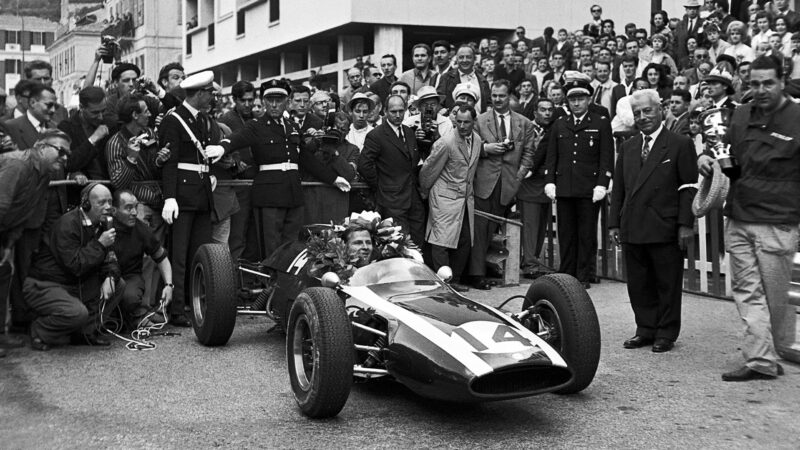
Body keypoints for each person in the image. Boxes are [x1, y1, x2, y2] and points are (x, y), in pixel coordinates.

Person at [697, 56, 800, 380]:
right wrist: (705, 157)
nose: (760, 89)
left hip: (777, 223)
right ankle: (760, 360)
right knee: (745, 291)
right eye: (754, 83)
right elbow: (724, 153)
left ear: (782, 81)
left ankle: (773, 350)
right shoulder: (740, 114)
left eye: (768, 82)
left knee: (772, 298)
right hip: (739, 218)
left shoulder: (798, 117)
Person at [218, 79, 350, 258]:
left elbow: (305, 158)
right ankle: (271, 284)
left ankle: (286, 284)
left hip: (293, 194)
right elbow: (237, 138)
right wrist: (222, 147)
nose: (274, 105)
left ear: (287, 102)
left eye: (279, 100)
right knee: (272, 247)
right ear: (264, 102)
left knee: (292, 246)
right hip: (269, 195)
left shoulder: (292, 127)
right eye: (270, 100)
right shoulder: (256, 125)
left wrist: (333, 179)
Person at [609, 89, 697, 353]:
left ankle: (666, 332)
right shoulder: (629, 146)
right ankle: (645, 329)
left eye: (648, 111)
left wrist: (685, 224)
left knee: (667, 282)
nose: (643, 117)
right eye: (637, 113)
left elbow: (689, 187)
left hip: (665, 226)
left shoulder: (680, 144)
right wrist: (614, 223)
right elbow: (620, 189)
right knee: (638, 282)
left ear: (661, 109)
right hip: (634, 225)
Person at [157, 71, 225, 327]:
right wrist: (170, 197)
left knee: (200, 253)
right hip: (183, 197)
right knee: (180, 255)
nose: (212, 96)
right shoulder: (173, 121)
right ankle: (176, 310)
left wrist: (210, 176)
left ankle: (194, 302)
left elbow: (202, 158)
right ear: (198, 93)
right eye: (209, 92)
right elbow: (170, 162)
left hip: (200, 193)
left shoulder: (202, 120)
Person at [23, 183, 121, 350]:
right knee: (77, 313)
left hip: (73, 283)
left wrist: (110, 276)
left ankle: (85, 333)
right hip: (45, 284)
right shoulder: (68, 224)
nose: (108, 207)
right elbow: (75, 265)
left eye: (110, 202)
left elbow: (111, 258)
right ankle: (39, 330)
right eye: (102, 203)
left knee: (118, 285)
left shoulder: (103, 224)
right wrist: (100, 244)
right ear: (86, 204)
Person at [0, 132, 69, 355]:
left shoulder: (43, 173)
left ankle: (1, 335)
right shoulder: (17, 165)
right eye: (61, 151)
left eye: (68, 154)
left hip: (6, 230)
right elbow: (1, 205)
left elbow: (27, 209)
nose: (65, 158)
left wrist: (10, 242)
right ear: (40, 146)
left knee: (4, 274)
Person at [544, 77, 614, 288]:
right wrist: (550, 181)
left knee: (586, 234)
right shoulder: (559, 124)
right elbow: (552, 155)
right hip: (565, 187)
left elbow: (606, 157)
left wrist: (603, 182)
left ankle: (583, 275)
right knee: (566, 233)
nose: (576, 103)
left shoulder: (599, 123)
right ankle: (566, 274)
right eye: (572, 99)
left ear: (589, 99)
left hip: (588, 188)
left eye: (581, 99)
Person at [468, 80, 535, 290]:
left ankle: (495, 268)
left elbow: (529, 153)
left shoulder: (524, 123)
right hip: (485, 182)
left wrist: (519, 176)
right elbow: (470, 148)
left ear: (510, 97)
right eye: (494, 96)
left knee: (500, 231)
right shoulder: (479, 121)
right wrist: (487, 149)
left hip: (510, 183)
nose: (497, 100)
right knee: (480, 229)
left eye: (502, 96)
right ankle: (476, 274)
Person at [106, 94, 169, 306]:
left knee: (156, 257)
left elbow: (155, 167)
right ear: (134, 115)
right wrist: (131, 158)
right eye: (145, 111)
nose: (150, 114)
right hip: (138, 206)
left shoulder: (151, 133)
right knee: (143, 260)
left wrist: (160, 160)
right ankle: (141, 308)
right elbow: (118, 183)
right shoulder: (115, 142)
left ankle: (151, 305)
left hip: (160, 204)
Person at [419, 105, 481, 292]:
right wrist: (424, 192)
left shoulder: (477, 140)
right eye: (458, 122)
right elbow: (428, 171)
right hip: (444, 198)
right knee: (441, 242)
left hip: (464, 199)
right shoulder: (446, 142)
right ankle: (443, 283)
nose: (462, 126)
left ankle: (455, 280)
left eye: (466, 122)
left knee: (464, 240)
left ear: (474, 122)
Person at [358, 95, 425, 245]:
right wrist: (381, 185)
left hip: (413, 198)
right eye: (393, 111)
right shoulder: (376, 135)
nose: (398, 115)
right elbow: (364, 165)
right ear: (386, 111)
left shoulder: (408, 132)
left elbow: (412, 162)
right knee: (400, 243)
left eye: (401, 111)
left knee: (418, 241)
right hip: (391, 199)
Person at [110, 190, 173, 329]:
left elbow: (162, 258)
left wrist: (169, 285)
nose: (134, 212)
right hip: (105, 277)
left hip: (129, 277)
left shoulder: (141, 229)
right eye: (128, 208)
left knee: (130, 297)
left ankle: (136, 316)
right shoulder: (103, 227)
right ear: (114, 210)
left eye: (135, 207)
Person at [218, 81, 258, 263]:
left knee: (253, 233)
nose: (248, 104)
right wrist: (234, 162)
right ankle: (233, 276)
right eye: (244, 101)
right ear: (234, 99)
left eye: (251, 100)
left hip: (256, 182)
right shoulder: (226, 120)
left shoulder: (257, 119)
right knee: (237, 233)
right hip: (237, 184)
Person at [518, 98, 556, 279]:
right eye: (543, 110)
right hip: (528, 183)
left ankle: (534, 261)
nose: (547, 113)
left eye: (550, 110)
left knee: (541, 226)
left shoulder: (554, 129)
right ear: (535, 112)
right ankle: (529, 264)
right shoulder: (526, 128)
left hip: (546, 184)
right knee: (530, 226)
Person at [58, 86, 112, 180]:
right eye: (95, 113)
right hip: (84, 186)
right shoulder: (66, 128)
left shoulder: (110, 123)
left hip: (111, 183)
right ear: (82, 107)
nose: (101, 117)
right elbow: (69, 163)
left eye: (103, 111)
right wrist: (93, 139)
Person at [437, 44, 491, 112]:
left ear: (474, 59)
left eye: (468, 57)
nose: (464, 60)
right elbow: (438, 101)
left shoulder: (483, 80)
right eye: (461, 57)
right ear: (456, 59)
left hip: (479, 121)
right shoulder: (446, 78)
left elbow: (489, 103)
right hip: (453, 121)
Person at [5, 84, 57, 150]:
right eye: (49, 105)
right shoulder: (10, 127)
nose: (53, 110)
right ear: (33, 103)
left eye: (55, 106)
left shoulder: (54, 128)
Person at [24, 60, 68, 126]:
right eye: (38, 79)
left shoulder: (61, 111)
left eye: (46, 79)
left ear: (51, 80)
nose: (43, 83)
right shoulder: (19, 110)